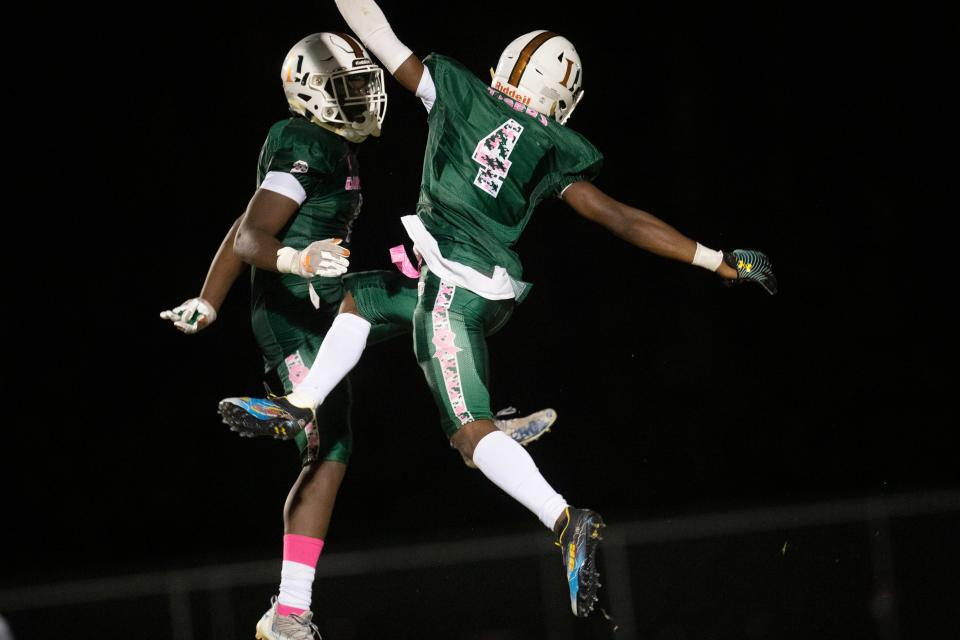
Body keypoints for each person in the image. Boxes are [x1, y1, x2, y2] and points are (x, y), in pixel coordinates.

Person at [218, 0, 778, 620]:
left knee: (466, 434)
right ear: (564, 102)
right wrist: (719, 259)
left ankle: (563, 517)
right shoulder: (550, 144)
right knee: (366, 295)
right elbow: (622, 219)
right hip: (485, 290)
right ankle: (301, 406)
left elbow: (374, 30)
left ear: (505, 67)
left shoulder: (457, 93)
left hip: (453, 289)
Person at [161, 31, 559, 640]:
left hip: (329, 294)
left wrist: (208, 301)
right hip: (294, 315)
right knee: (330, 447)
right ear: (311, 92)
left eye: (365, 84)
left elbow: (241, 224)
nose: (367, 98)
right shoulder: (301, 140)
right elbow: (250, 236)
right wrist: (290, 265)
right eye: (349, 88)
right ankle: (289, 611)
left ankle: (478, 423)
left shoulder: (333, 147)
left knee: (435, 291)